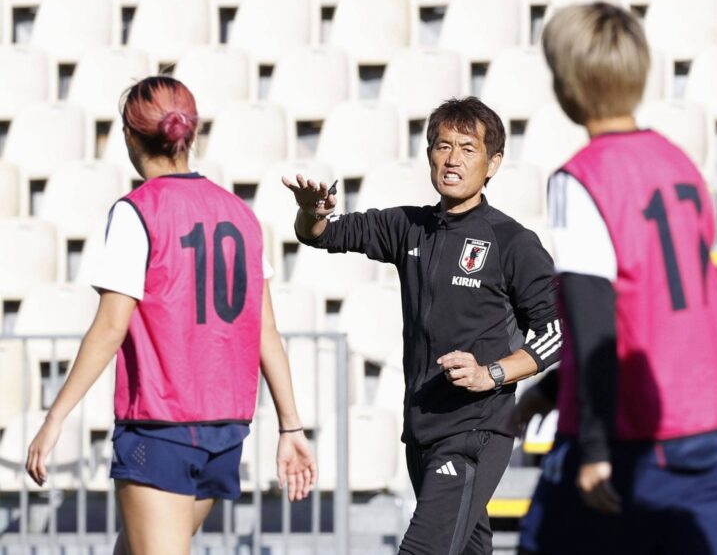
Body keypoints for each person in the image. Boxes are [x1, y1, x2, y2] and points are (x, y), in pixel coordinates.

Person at [26, 77, 316, 554]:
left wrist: (55, 416)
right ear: (190, 134)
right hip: (225, 429)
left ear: (129, 136)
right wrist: (291, 427)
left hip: (161, 428)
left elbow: (109, 327)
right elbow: (266, 332)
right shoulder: (241, 215)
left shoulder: (137, 212)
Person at [284, 97, 561, 555]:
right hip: (422, 430)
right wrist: (312, 211)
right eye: (442, 145)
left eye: (468, 149)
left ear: (493, 163)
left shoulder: (512, 242)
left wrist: (489, 373)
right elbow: (321, 235)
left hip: (476, 429)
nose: (452, 159)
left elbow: (557, 333)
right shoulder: (408, 226)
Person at [514, 2, 717, 555]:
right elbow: (654, 307)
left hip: (630, 428)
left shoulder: (584, 177)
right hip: (705, 419)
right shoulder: (680, 163)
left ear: (566, 87)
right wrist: (547, 391)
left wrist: (592, 448)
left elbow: (595, 325)